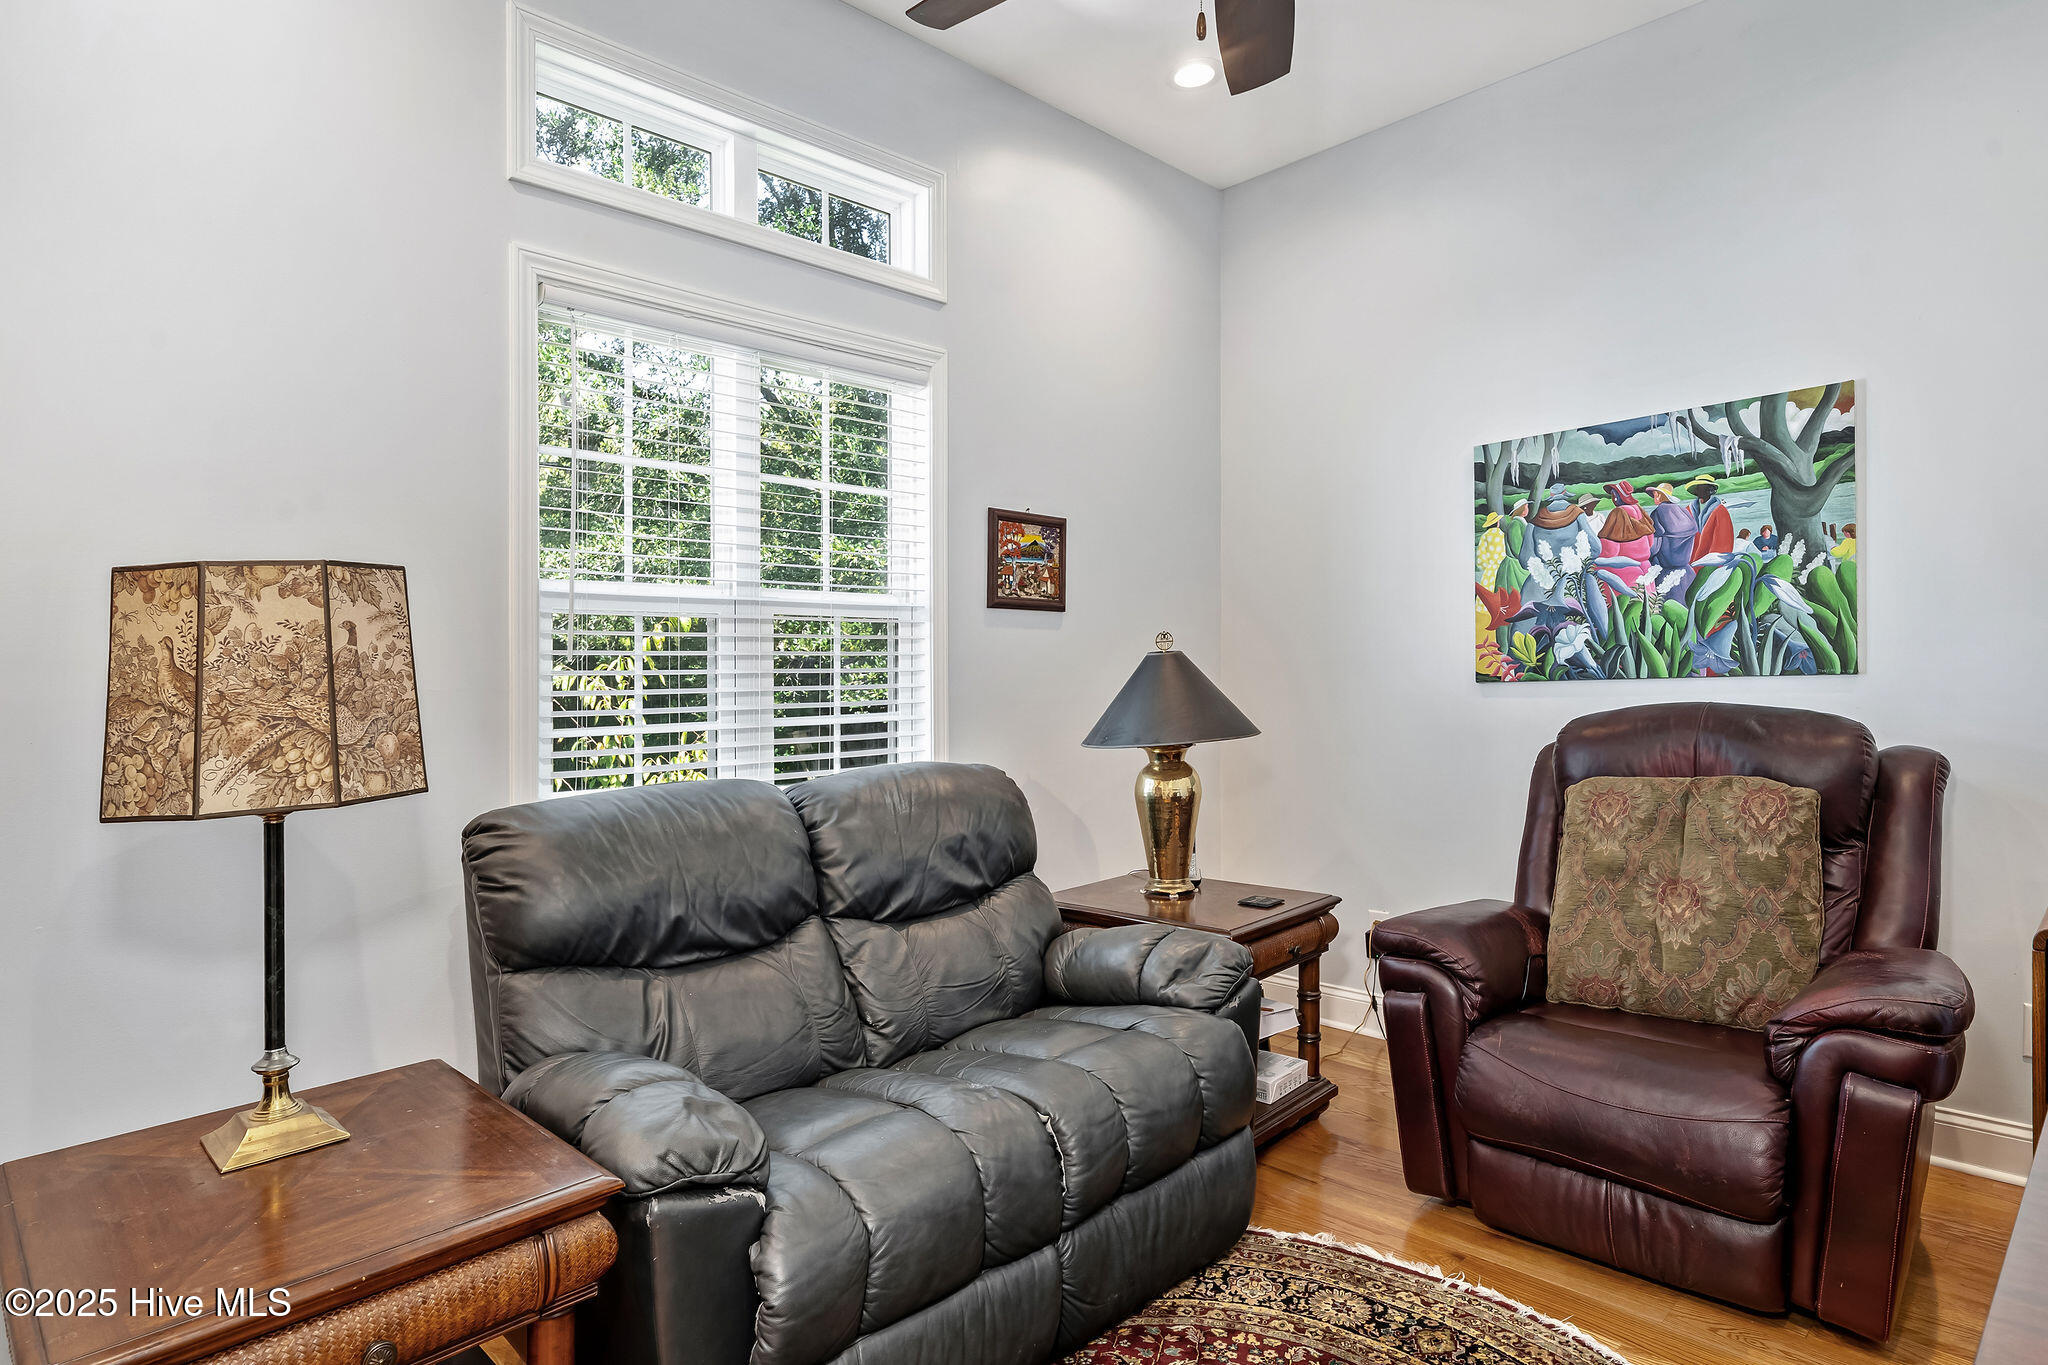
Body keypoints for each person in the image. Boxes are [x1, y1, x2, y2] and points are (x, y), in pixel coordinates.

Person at [1685, 473, 1735, 562]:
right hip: (1689, 557)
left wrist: (1714, 560)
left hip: (1710, 558)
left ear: (1710, 490)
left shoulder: (1720, 511)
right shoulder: (1688, 510)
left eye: (1703, 487)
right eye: (1698, 487)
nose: (1699, 490)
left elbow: (1724, 539)